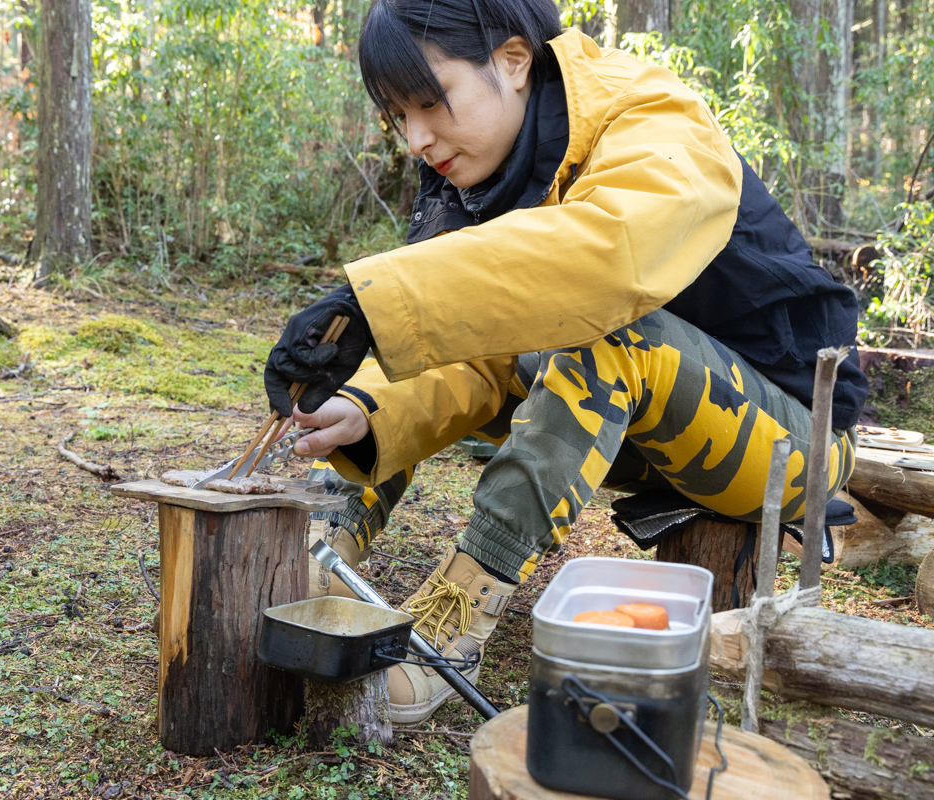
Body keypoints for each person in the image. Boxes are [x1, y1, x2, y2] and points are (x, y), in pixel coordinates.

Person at [264, 0, 866, 726]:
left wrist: (376, 300)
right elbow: (480, 348)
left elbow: (608, 261)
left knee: (600, 335)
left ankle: (460, 613)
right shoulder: (480, 177)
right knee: (397, 359)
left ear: (514, 62)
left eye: (431, 101)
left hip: (788, 444)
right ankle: (317, 549)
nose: (417, 137)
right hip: (639, 432)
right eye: (397, 116)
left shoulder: (652, 115)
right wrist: (361, 411)